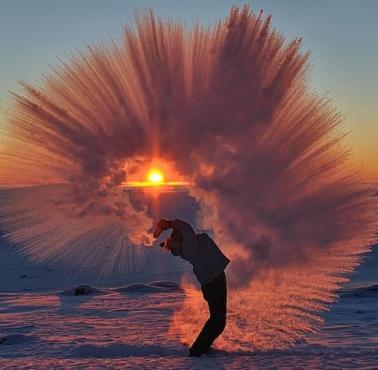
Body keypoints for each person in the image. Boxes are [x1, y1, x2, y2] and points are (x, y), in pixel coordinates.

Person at [153, 218, 230, 356]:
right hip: (214, 282)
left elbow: (185, 231)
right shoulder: (190, 246)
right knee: (218, 322)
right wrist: (169, 224)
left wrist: (170, 232)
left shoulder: (188, 246)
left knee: (217, 320)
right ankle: (197, 351)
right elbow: (186, 228)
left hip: (212, 282)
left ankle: (200, 348)